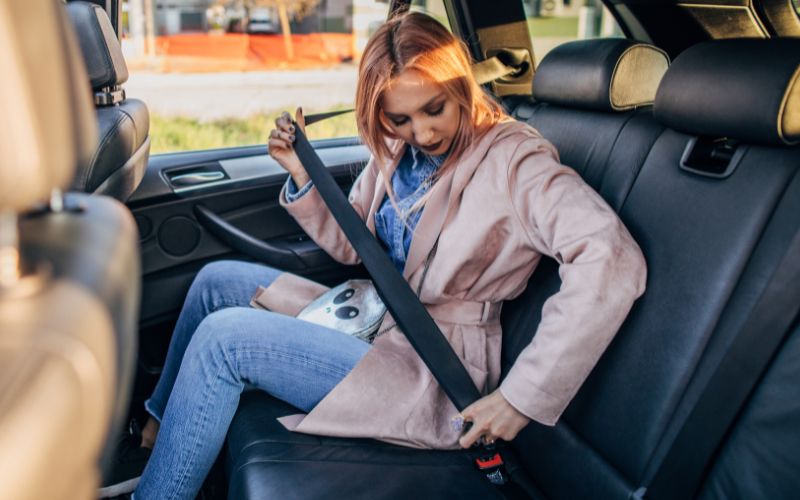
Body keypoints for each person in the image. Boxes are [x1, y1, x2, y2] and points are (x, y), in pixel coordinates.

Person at [102, 12, 646, 500]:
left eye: (435, 108)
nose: (423, 132)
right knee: (217, 279)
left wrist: (522, 396)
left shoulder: (514, 161)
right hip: (377, 318)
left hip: (433, 364)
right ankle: (156, 433)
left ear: (461, 84)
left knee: (225, 341)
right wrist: (300, 170)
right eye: (401, 118)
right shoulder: (397, 153)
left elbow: (609, 257)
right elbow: (350, 244)